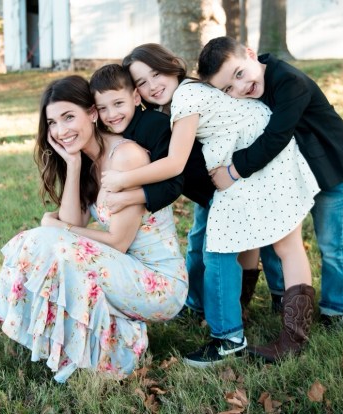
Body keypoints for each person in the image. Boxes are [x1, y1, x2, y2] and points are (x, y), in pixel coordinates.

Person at [101, 43, 320, 367]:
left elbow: (175, 164)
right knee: (240, 242)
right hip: (250, 164)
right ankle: (240, 317)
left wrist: (122, 180)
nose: (152, 85)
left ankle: (236, 337)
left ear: (173, 66)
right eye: (143, 82)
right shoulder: (180, 100)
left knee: (228, 248)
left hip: (262, 164)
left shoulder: (187, 97)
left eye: (156, 74)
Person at [0, 75, 188, 383]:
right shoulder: (86, 159)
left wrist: (57, 227)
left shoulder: (125, 156)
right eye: (53, 122)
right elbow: (77, 221)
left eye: (69, 117)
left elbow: (117, 242)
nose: (61, 130)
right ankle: (118, 332)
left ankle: (115, 339)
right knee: (47, 242)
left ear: (93, 114)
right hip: (125, 271)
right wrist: (72, 165)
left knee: (51, 244)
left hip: (160, 284)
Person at [197, 36, 343, 360]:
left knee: (331, 245)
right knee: (274, 237)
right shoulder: (250, 87)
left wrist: (233, 171)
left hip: (329, 167)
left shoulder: (290, 82)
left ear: (249, 53)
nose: (240, 87)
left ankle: (334, 309)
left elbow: (275, 137)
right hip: (294, 171)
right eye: (228, 88)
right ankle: (262, 305)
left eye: (240, 74)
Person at [89, 63, 184, 214]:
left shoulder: (153, 126)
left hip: (219, 190)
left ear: (136, 98)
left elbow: (174, 185)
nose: (112, 114)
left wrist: (126, 197)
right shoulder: (125, 132)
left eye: (118, 103)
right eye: (103, 108)